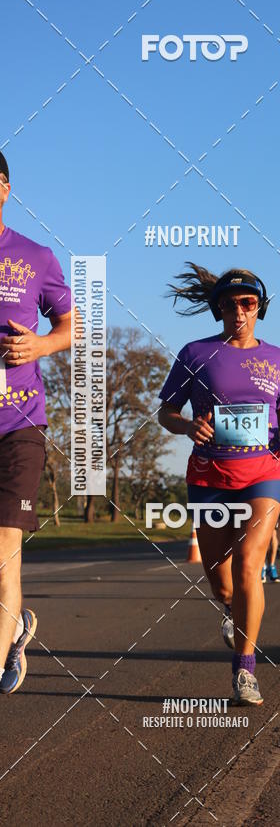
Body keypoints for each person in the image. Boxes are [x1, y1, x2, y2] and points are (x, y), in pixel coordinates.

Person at [157, 266, 280, 705]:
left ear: (259, 307)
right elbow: (167, 411)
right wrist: (188, 427)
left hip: (266, 470)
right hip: (210, 476)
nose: (239, 311)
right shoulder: (196, 353)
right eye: (230, 304)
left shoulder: (278, 358)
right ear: (217, 309)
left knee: (248, 564)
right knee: (222, 584)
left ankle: (245, 669)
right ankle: (230, 610)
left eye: (247, 303)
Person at [0, 152, 73, 694]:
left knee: (4, 550)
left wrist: (42, 343)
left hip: (19, 424)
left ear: (4, 188)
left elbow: (71, 324)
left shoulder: (35, 255)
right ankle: (15, 628)